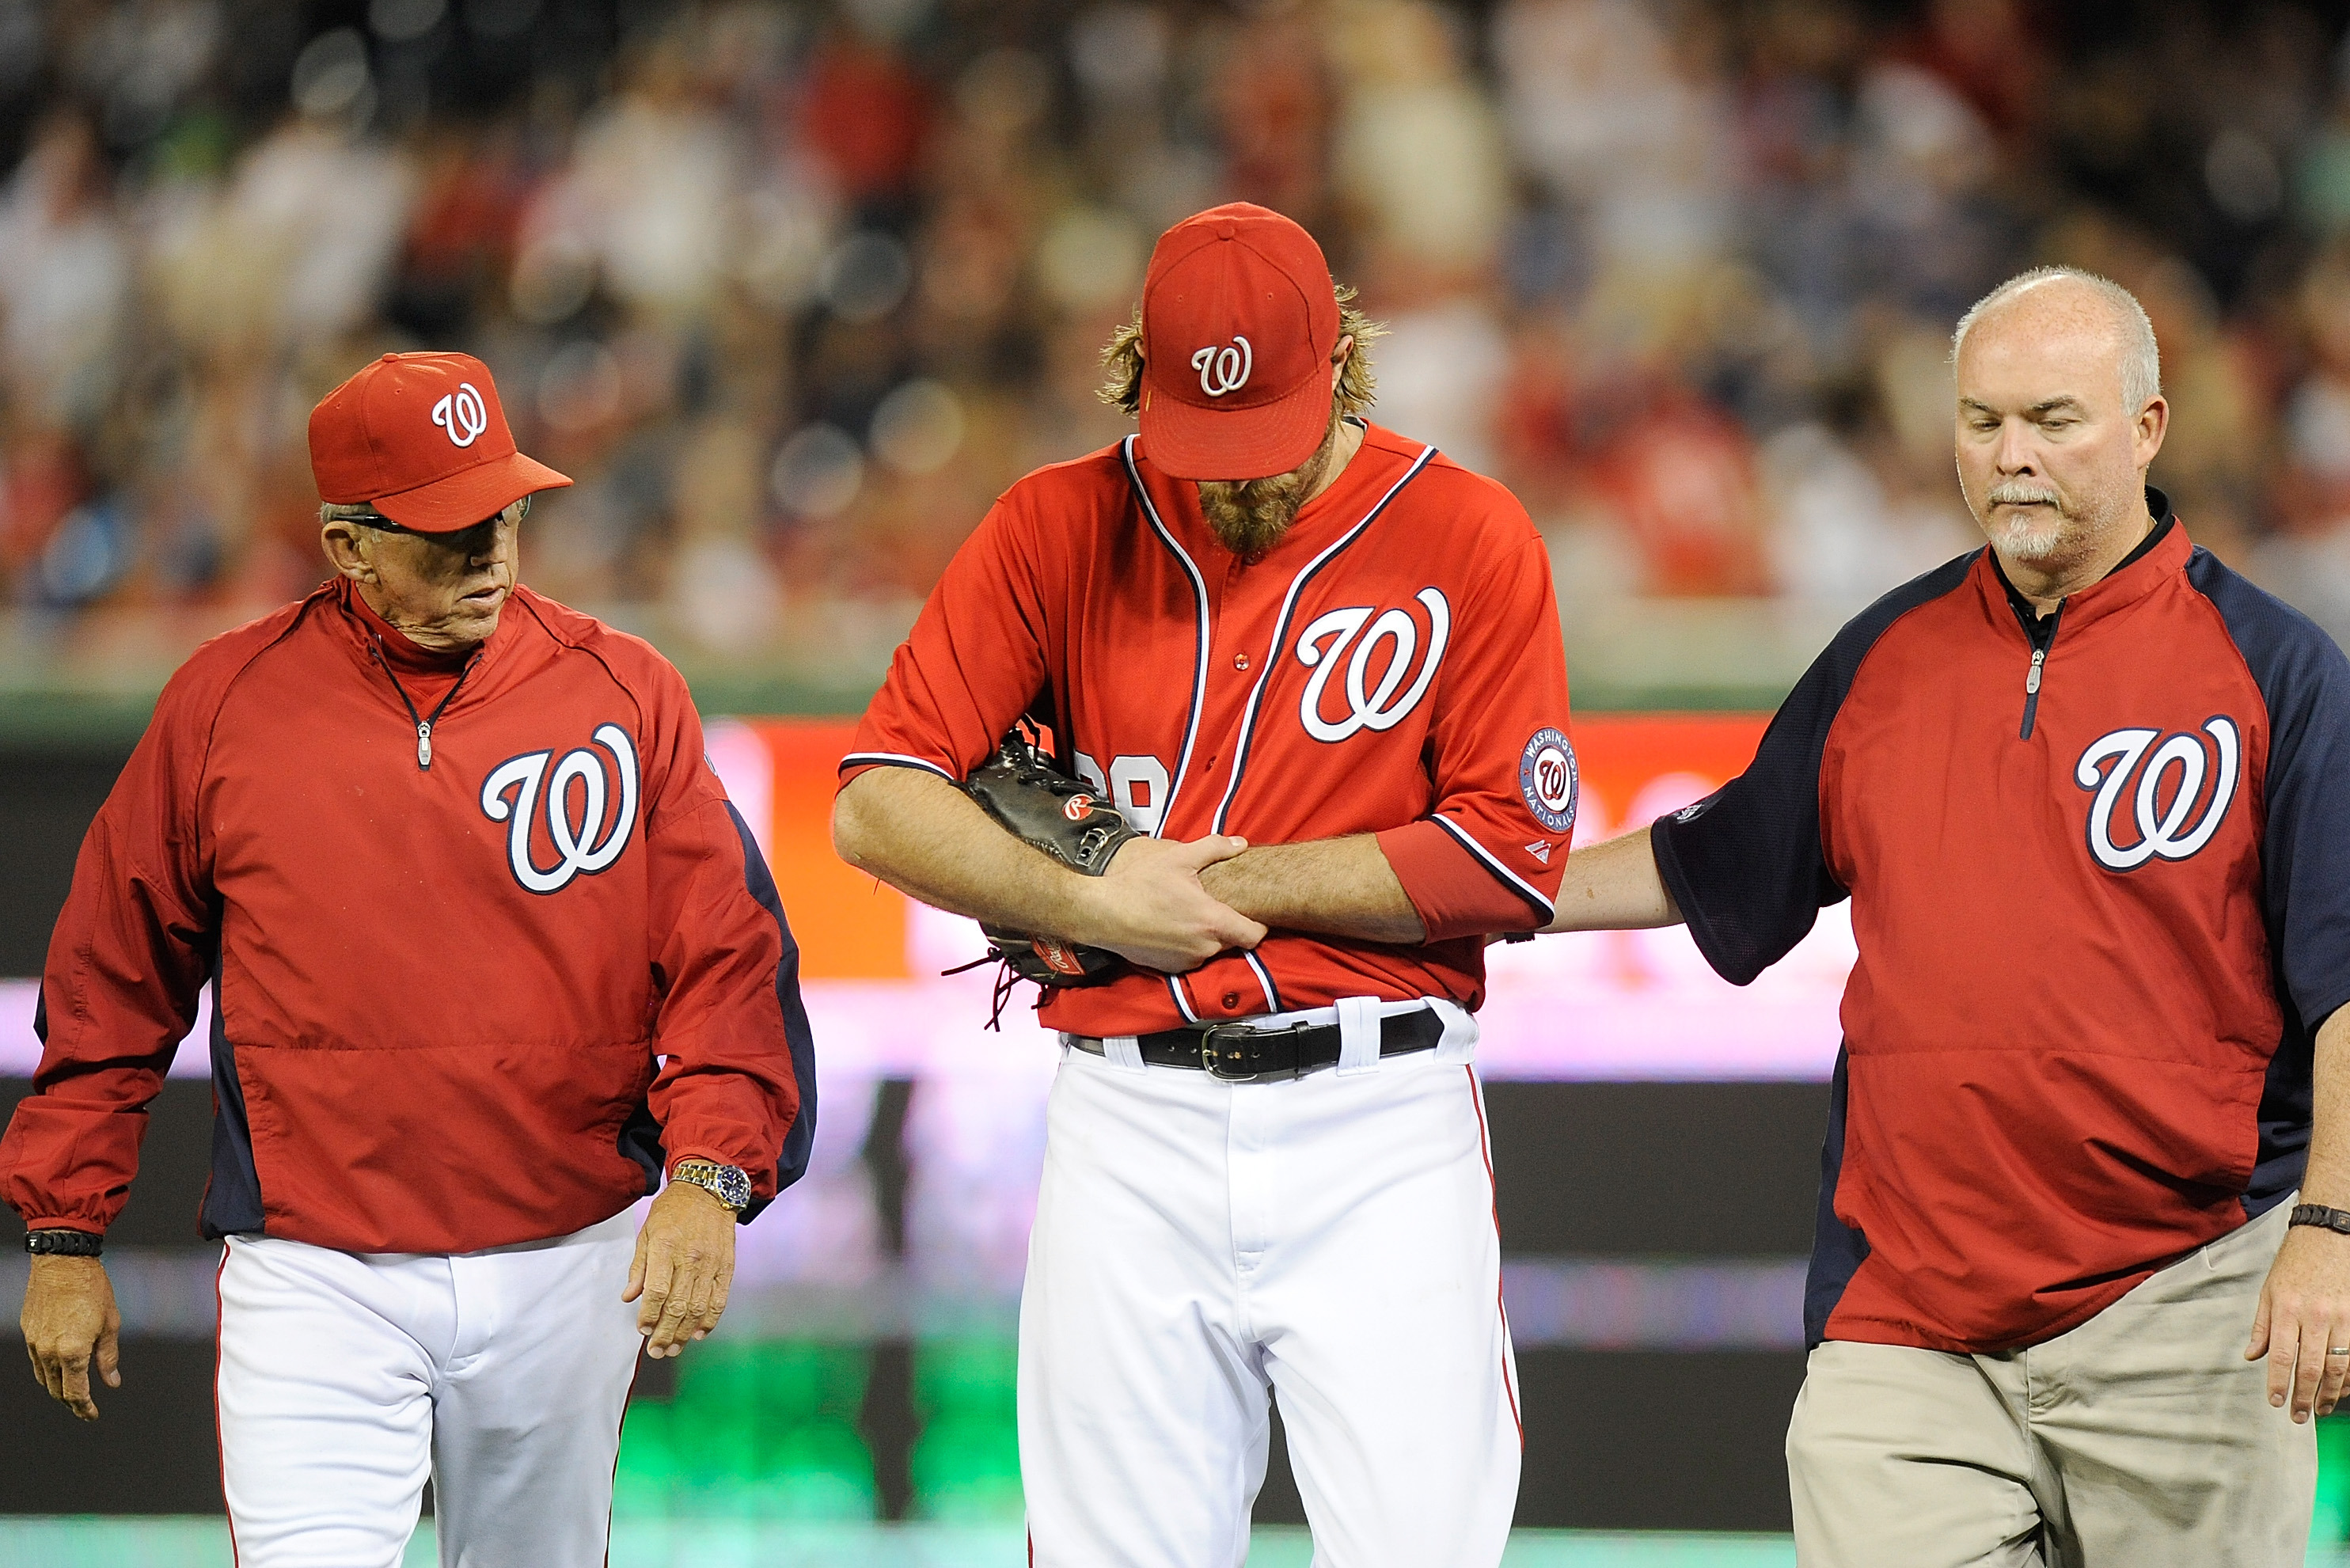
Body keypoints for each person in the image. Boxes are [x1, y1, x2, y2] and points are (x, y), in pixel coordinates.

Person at [1543, 266, 2350, 1565]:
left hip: (2187, 1305)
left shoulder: (2274, 672)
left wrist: (2330, 1228)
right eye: (1981, 423)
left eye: (2052, 419)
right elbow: (1716, 866)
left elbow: (2344, 987)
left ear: (2146, 428)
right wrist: (1463, 893)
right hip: (1906, 1328)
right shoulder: (1883, 655)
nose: (2010, 456)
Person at [832, 202, 1574, 1566]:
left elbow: (1504, 857)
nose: (1239, 477)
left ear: (1343, 365)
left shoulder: (1467, 533)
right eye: (1204, 435)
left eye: (1268, 436)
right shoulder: (1055, 523)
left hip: (1379, 1115)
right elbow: (876, 798)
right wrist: (1095, 897)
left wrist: (1213, 886)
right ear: (1136, 377)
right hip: (1129, 1122)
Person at [2, 351, 816, 1566]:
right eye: (446, 532)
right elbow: (111, 979)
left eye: (504, 514)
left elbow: (728, 960)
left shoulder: (622, 690)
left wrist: (708, 1175)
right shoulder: (227, 705)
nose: (489, 553)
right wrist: (64, 1234)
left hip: (564, 1252)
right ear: (347, 545)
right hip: (316, 1268)